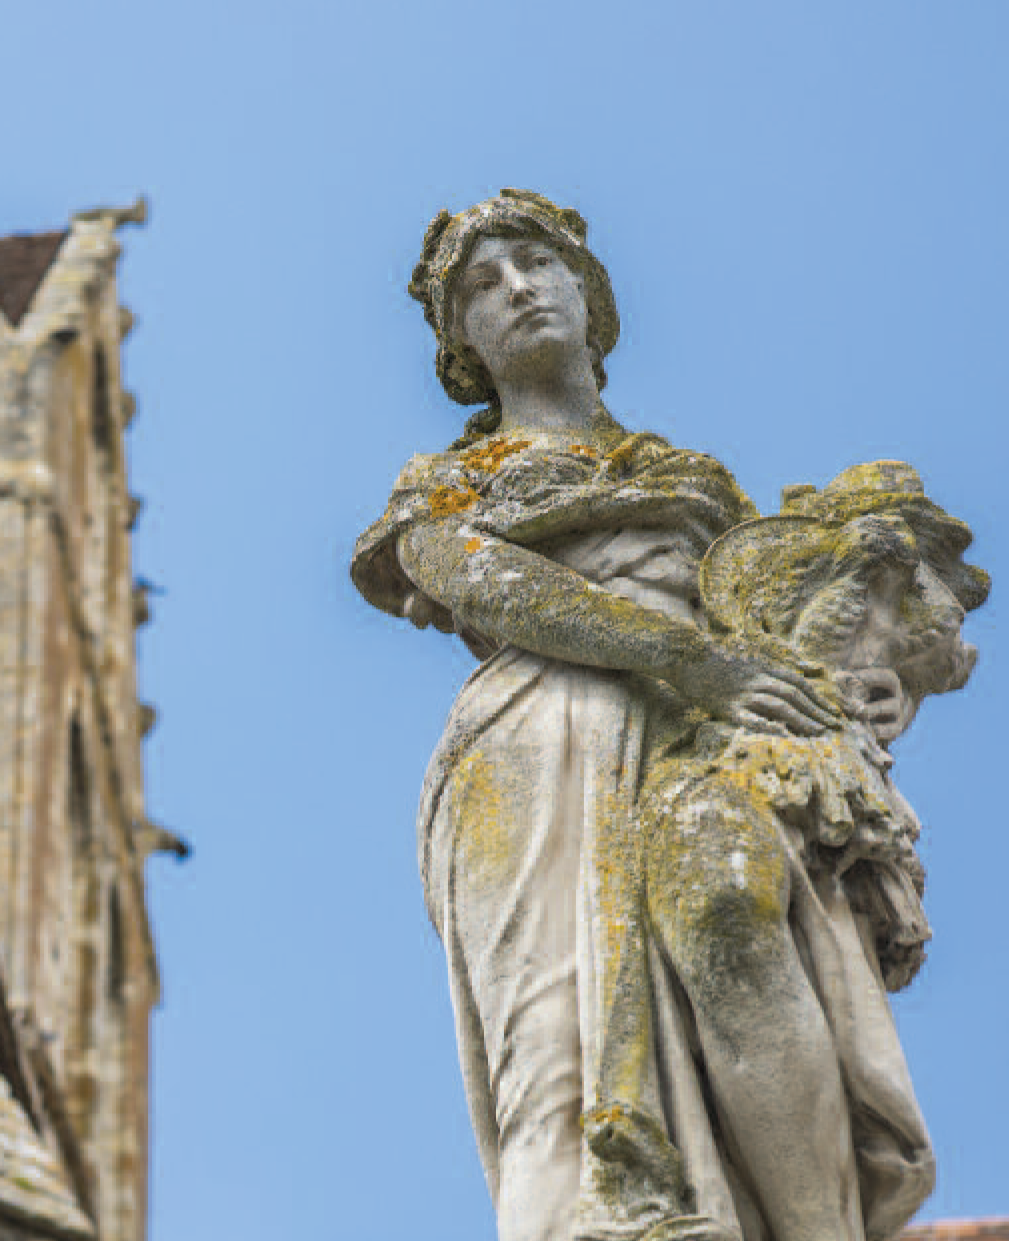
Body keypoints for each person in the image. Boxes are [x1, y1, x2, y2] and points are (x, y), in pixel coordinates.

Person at [350, 190, 976, 1241]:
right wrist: (681, 655)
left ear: (586, 293)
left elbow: (779, 625)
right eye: (478, 285)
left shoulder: (695, 483)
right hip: (533, 740)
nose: (514, 290)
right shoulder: (444, 485)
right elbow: (478, 580)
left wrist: (862, 693)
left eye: (533, 263)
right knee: (551, 1040)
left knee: (730, 927)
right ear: (459, 343)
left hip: (703, 737)